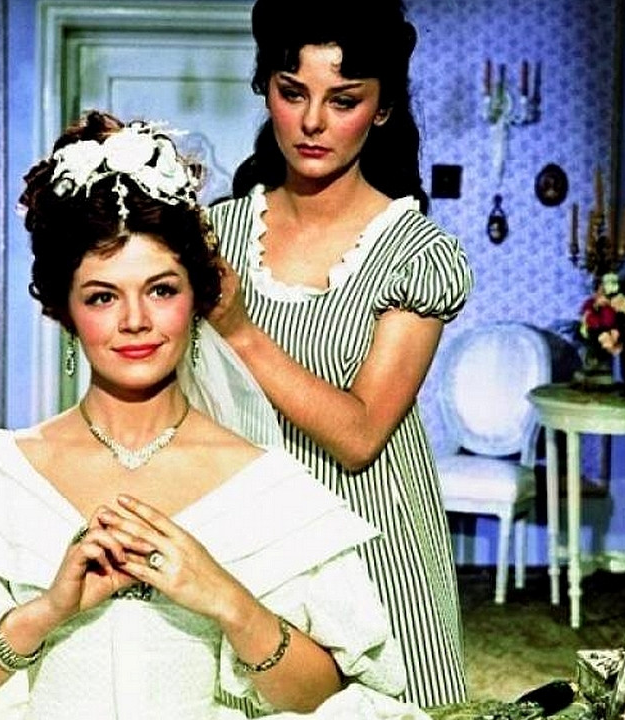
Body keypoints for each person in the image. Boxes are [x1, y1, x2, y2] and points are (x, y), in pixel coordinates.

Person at [0, 111, 432, 719]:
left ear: (197, 296)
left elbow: (321, 697)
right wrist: (50, 610)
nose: (135, 321)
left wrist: (227, 600)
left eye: (161, 290)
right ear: (65, 311)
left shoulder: (263, 485)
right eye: (102, 296)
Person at [206, 0, 474, 707]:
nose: (313, 122)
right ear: (266, 89)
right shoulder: (212, 236)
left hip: (371, 546)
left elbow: (359, 436)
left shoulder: (416, 253)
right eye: (292, 92)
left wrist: (240, 331)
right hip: (247, 541)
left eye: (344, 100)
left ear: (382, 110)